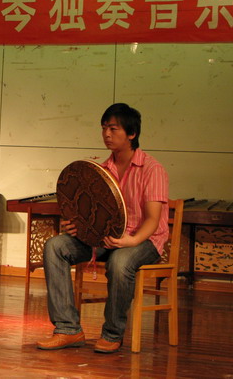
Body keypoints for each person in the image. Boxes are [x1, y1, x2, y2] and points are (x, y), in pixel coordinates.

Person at [36, 103, 169, 353]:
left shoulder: (152, 169)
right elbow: (88, 211)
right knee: (56, 246)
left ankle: (112, 333)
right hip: (104, 238)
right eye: (104, 128)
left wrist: (131, 241)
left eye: (113, 128)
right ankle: (68, 329)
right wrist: (75, 225)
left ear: (132, 134)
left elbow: (153, 220)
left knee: (120, 261)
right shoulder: (100, 170)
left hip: (143, 240)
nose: (106, 134)